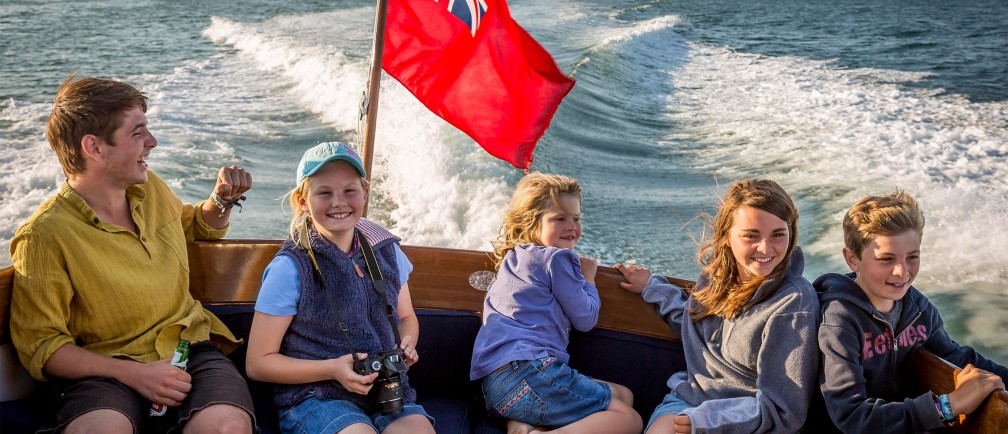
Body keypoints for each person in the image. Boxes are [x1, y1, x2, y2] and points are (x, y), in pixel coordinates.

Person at [9, 74, 256, 433]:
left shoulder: (149, 186)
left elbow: (193, 227)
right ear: (93, 148)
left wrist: (221, 201)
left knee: (227, 428)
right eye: (137, 133)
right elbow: (43, 347)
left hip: (190, 350)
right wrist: (136, 374)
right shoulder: (44, 236)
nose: (152, 142)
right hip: (104, 372)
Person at [245, 142, 435, 434]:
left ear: (365, 194)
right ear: (302, 201)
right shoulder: (291, 268)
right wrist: (332, 369)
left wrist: (405, 345)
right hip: (316, 396)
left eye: (349, 191)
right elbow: (258, 363)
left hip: (386, 390)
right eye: (324, 193)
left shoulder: (388, 252)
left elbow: (406, 318)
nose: (339, 202)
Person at [614, 178, 819, 433]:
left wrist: (705, 421)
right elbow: (698, 330)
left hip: (751, 422)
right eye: (751, 236)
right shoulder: (716, 277)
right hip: (689, 400)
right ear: (726, 237)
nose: (765, 248)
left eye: (778, 234)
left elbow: (783, 410)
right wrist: (654, 290)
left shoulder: (793, 304)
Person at [815, 191, 1006, 432]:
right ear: (852, 259)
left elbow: (957, 357)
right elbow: (852, 416)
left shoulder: (918, 309)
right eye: (886, 259)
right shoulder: (838, 321)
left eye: (912, 257)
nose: (902, 272)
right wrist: (948, 406)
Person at [469, 172, 643, 434]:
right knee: (629, 418)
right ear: (532, 223)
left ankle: (522, 427)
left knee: (621, 394)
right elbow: (585, 318)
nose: (571, 226)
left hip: (495, 388)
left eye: (576, 218)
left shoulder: (513, 258)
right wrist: (589, 279)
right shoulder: (557, 259)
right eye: (559, 219)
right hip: (531, 371)